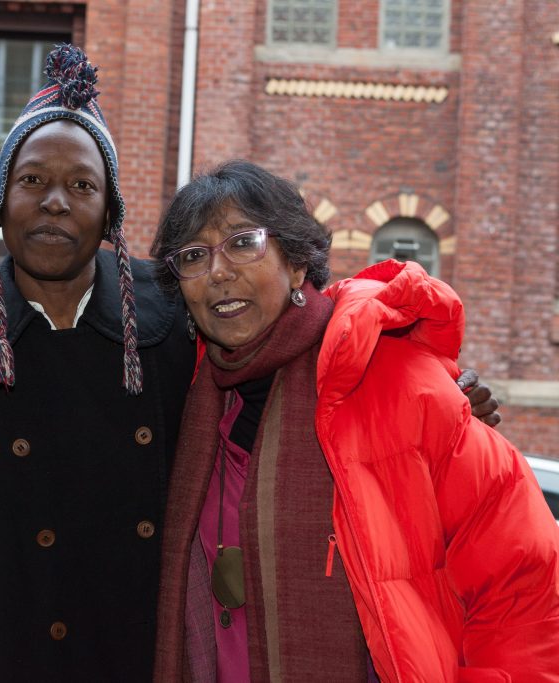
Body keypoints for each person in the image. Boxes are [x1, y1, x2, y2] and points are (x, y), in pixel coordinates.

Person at [0, 46, 499, 682]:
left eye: (82, 185)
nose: (56, 202)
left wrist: (410, 373)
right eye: (31, 181)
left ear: (111, 214)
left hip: (138, 654)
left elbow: (294, 332)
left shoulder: (170, 318)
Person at [150, 160, 559, 682]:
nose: (219, 272)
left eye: (243, 243)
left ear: (296, 264)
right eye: (193, 256)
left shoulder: (401, 382)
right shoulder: (190, 401)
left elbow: (520, 592)